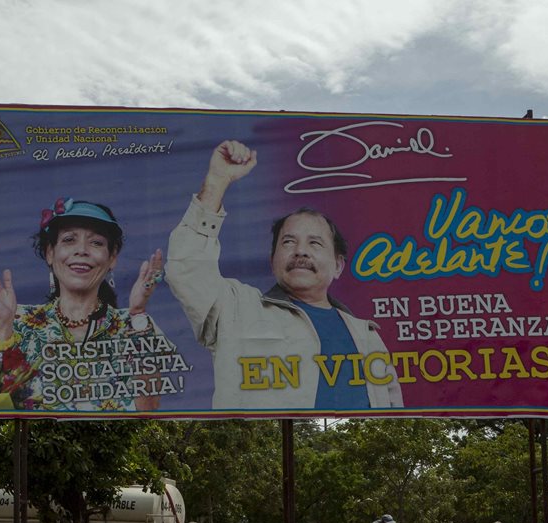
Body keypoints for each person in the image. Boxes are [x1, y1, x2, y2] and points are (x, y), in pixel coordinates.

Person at [165, 140, 403, 410]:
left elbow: (392, 411)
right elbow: (185, 270)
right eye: (288, 242)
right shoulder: (237, 309)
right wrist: (217, 182)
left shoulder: (367, 335)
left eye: (315, 243)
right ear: (272, 260)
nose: (300, 251)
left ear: (338, 265)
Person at [0, 197, 177, 411]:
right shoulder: (17, 321)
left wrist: (138, 313)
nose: (82, 250)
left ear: (112, 258)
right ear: (50, 253)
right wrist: (4, 328)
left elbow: (148, 411)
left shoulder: (134, 324)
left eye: (96, 242)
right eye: (69, 240)